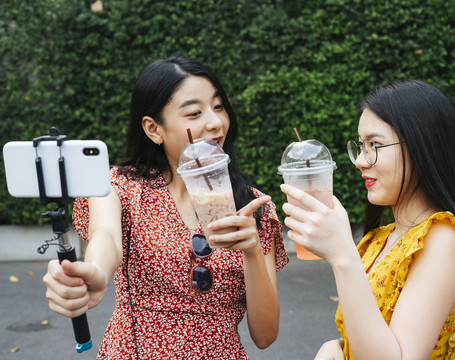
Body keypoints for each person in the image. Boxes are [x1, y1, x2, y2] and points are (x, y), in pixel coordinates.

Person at [43, 56, 289, 359]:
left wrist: (251, 251)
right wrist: (93, 272)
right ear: (153, 129)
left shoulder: (254, 208)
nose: (215, 122)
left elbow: (265, 336)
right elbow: (105, 237)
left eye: (219, 106)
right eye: (194, 112)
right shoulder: (119, 186)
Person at [281, 80, 455, 360]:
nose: (360, 161)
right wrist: (337, 348)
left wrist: (343, 255)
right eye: (361, 146)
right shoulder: (382, 238)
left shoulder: (442, 239)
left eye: (374, 145)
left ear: (421, 146)